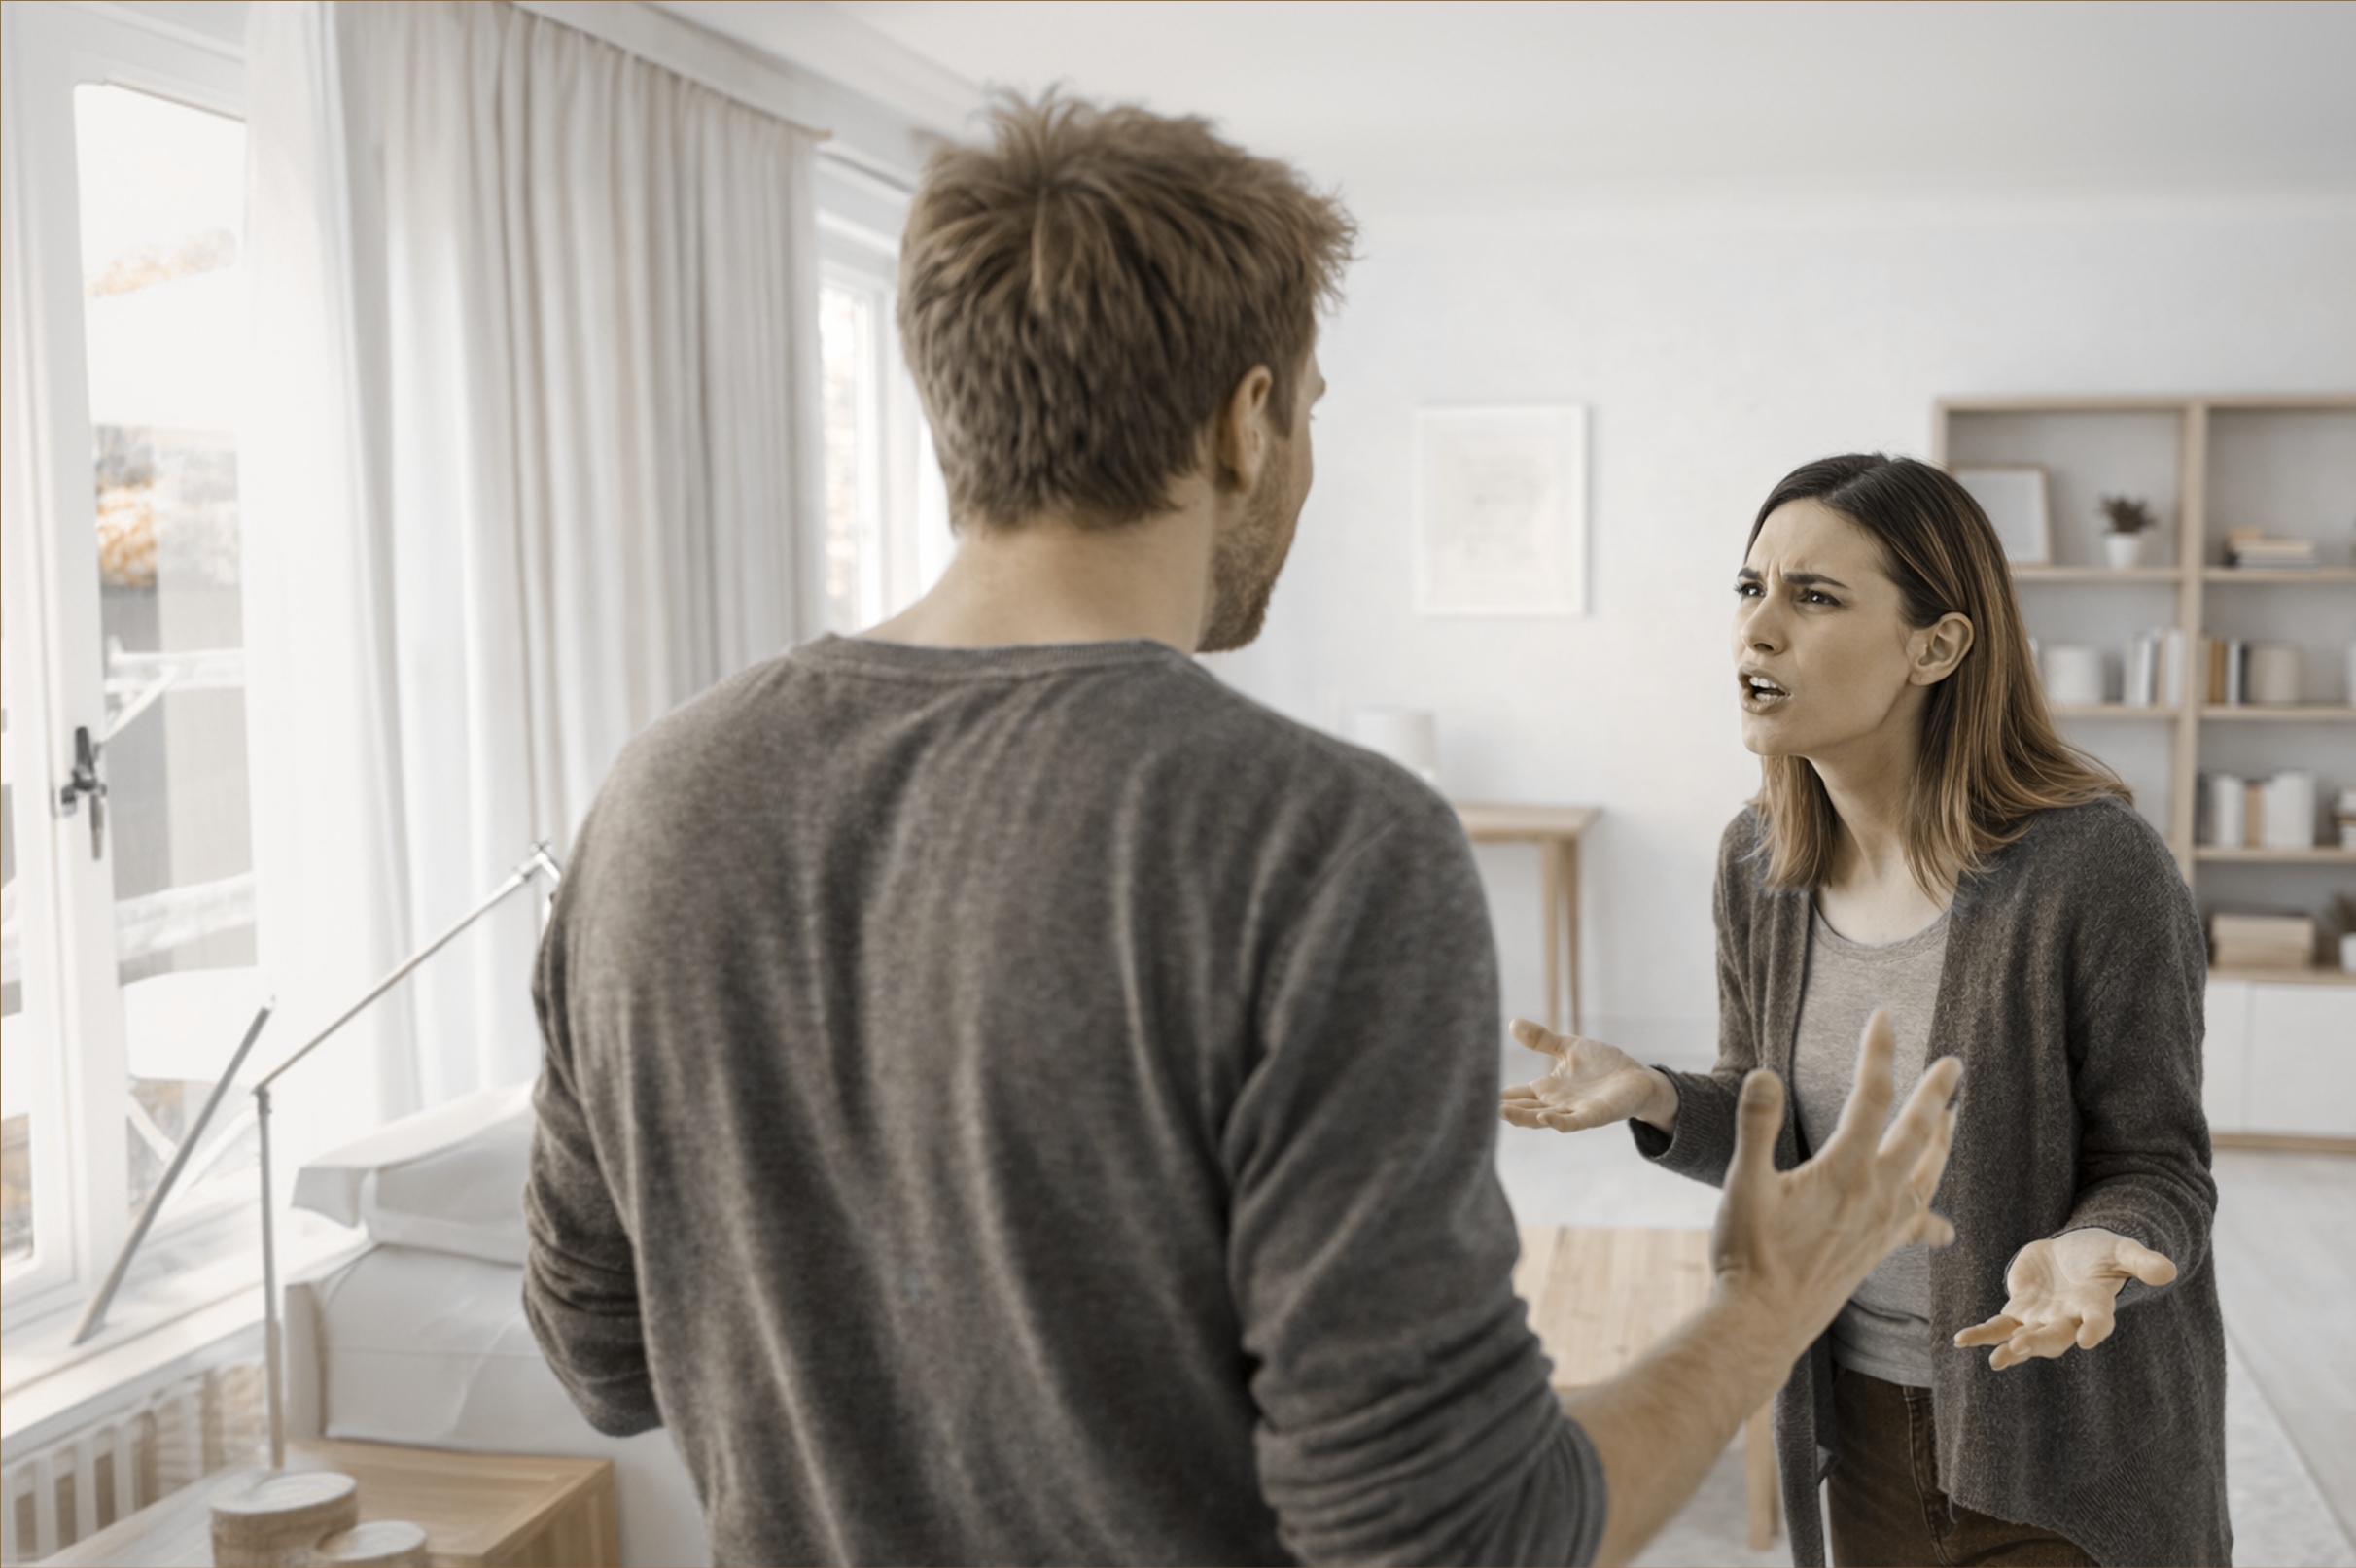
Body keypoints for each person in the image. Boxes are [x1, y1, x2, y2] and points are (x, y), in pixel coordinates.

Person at [524, 101, 1961, 1568]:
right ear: (1245, 418)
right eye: (1313, 411)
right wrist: (1768, 1302)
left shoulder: (657, 797)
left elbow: (601, 1354)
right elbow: (1462, 1543)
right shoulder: (1323, 846)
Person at [1503, 453, 2229, 1568]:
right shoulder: (1756, 861)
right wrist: (1654, 1096)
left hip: (2062, 1441)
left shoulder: (2093, 867)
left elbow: (2158, 1164)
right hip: (1854, 1424)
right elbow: (1785, 1139)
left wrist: (2091, 1243)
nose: (1756, 630)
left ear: (1934, 646)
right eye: (1748, 588)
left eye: (1813, 596)